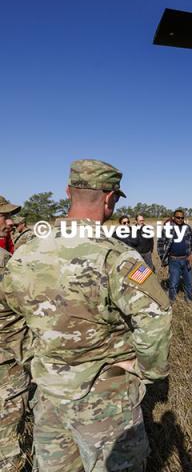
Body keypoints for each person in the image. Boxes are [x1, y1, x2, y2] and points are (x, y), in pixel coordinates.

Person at [0, 159, 173, 472]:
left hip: (49, 395)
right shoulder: (116, 254)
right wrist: (148, 372)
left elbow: (4, 315)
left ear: (68, 191)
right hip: (104, 400)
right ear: (109, 199)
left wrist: (31, 355)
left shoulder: (25, 252)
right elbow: (156, 316)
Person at [0, 197, 32, 471]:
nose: (9, 222)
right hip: (6, 364)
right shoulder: (4, 263)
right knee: (8, 448)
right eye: (3, 217)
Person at [157, 209, 192, 302]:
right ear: (174, 218)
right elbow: (160, 244)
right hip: (174, 260)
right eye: (178, 217)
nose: (180, 219)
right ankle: (172, 301)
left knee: (189, 282)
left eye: (182, 218)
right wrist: (163, 258)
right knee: (173, 282)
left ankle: (189, 300)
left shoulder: (187, 228)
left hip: (186, 259)